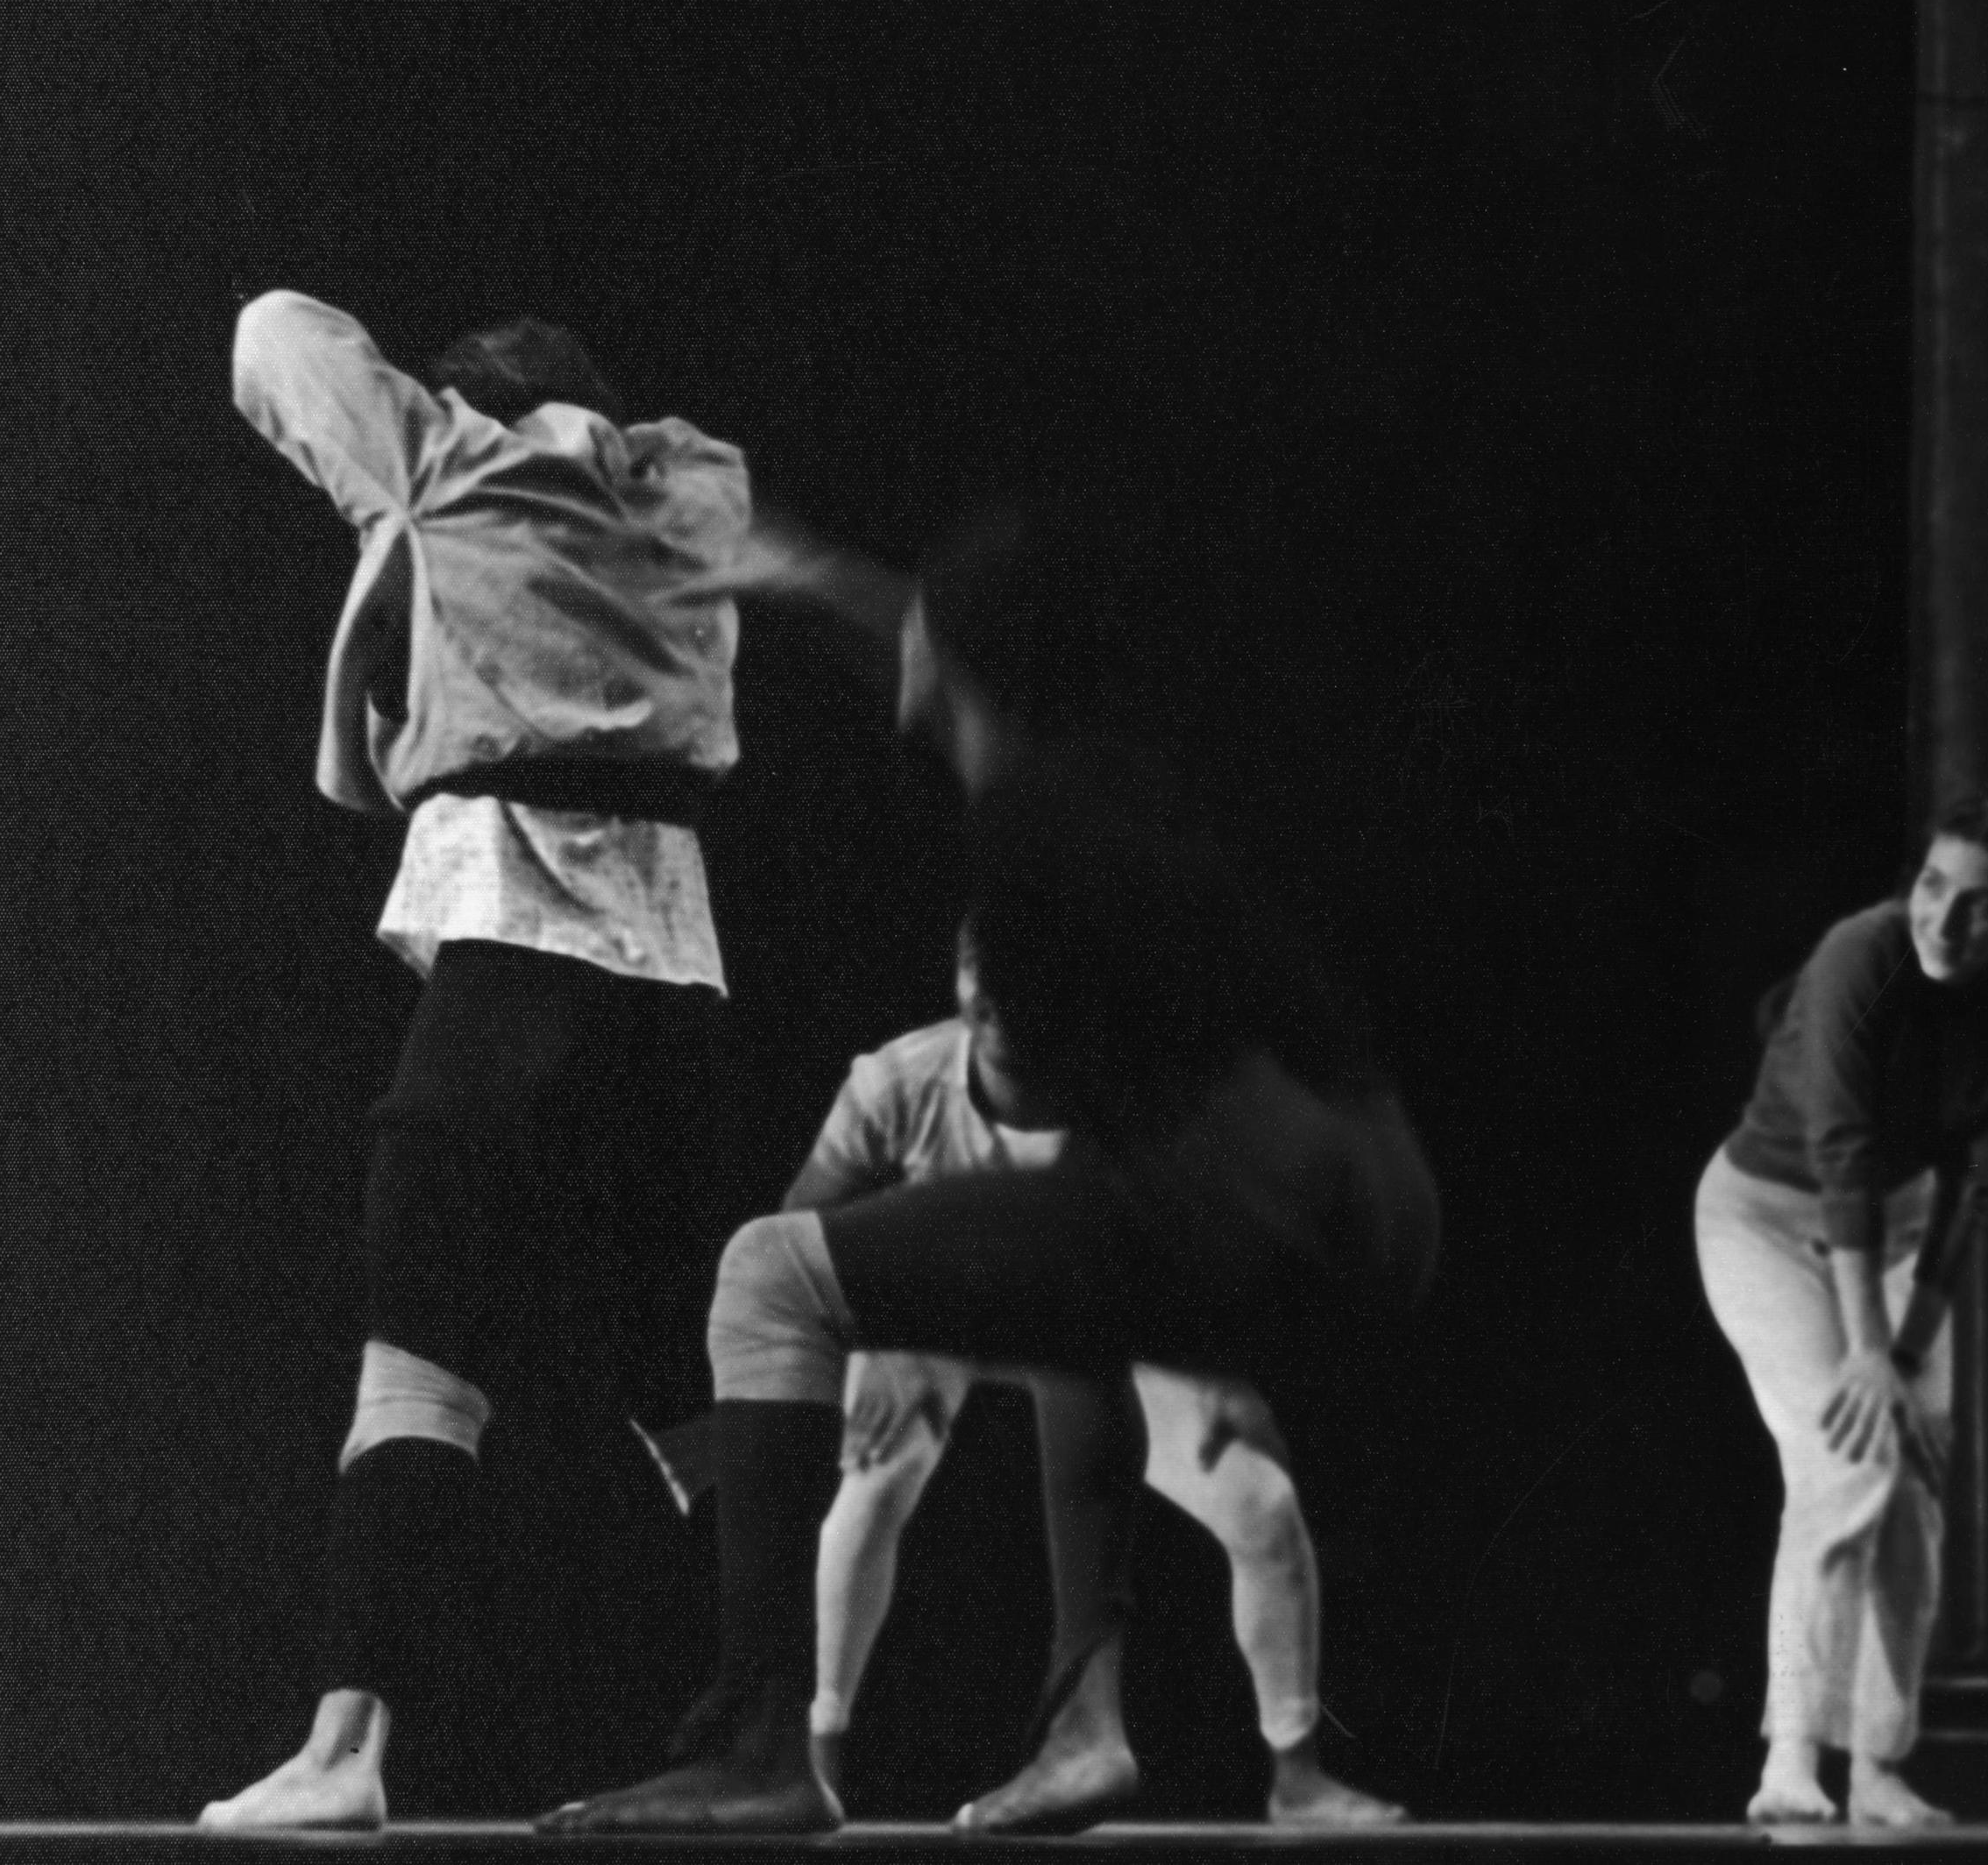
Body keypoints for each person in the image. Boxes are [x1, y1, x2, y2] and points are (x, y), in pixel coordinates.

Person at [543, 506, 1438, 1837]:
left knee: (769, 1275)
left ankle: (764, 1743)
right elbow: (960, 649)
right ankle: (1082, 1725)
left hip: (1293, 1190)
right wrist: (812, 579)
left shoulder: (1035, 850)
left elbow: (1125, 1100)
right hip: (1368, 1196)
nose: (895, 645)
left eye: (916, 632)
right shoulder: (1085, 772)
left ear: (954, 664)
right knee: (1067, 1302)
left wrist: (1229, 1298)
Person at [199, 292, 749, 1833]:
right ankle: (786, 1719)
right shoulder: (689, 490)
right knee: (687, 1379)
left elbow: (272, 337)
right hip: (675, 974)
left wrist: (422, 459)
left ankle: (346, 1747)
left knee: (418, 1353)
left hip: (516, 948)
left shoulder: (457, 468)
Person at [768, 918, 1404, 1826]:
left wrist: (1213, 1363)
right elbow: (800, 1238)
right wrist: (871, 1339)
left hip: (1094, 1324)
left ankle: (1297, 1772)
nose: (1005, 1024)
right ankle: (815, 1756)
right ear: (965, 994)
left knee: (1261, 1500)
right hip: (946, 1310)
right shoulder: (897, 1081)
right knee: (874, 1474)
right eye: (989, 996)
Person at [1694, 798, 1988, 1829]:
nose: (1944, 921)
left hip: (1900, 1235)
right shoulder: (1858, 953)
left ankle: (1878, 1762)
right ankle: (1791, 1753)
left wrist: (1905, 1349)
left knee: (1913, 1486)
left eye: (1979, 905)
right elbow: (1843, 1152)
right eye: (1933, 887)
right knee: (1845, 1460)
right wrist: (1869, 1351)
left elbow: (1977, 1177)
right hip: (1766, 1219)